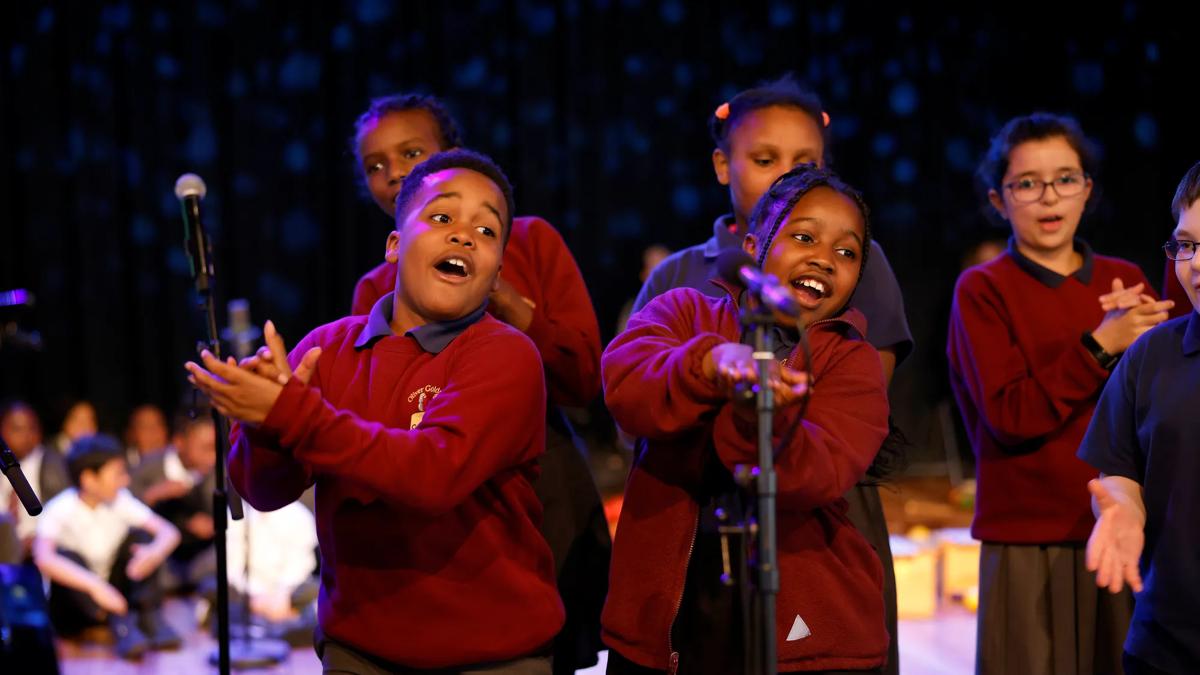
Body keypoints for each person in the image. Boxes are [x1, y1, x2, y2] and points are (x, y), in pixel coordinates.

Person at [187, 150, 564, 673]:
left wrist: (291, 414)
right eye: (441, 217)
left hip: (492, 657)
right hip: (359, 651)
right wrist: (265, 426)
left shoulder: (506, 354)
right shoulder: (329, 349)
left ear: (496, 271)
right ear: (394, 245)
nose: (462, 235)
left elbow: (433, 473)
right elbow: (263, 491)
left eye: (486, 231)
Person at [629, 75, 910, 673]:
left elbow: (843, 436)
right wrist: (711, 366)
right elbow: (629, 382)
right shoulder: (682, 296)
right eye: (803, 237)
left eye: (846, 253)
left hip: (807, 566)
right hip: (681, 575)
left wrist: (763, 404)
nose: (823, 257)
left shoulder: (845, 351)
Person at [349, 93, 609, 673]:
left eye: (411, 153)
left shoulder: (530, 242)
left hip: (540, 490)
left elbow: (585, 374)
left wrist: (507, 300)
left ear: (454, 154)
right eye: (375, 164)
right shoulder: (374, 290)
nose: (393, 173)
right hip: (430, 506)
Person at [947, 112, 1173, 675]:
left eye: (1065, 178)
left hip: (1119, 527)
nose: (1049, 196)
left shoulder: (1122, 279)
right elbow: (1010, 414)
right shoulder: (983, 288)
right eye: (1027, 183)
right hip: (1026, 537)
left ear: (1087, 189)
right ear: (1000, 199)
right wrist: (1101, 346)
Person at [1078, 160, 1200, 674]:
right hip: (1164, 647)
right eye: (1187, 245)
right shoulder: (1152, 355)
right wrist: (1123, 510)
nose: (1194, 265)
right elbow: (1122, 469)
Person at [32, 434, 182, 659]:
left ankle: (147, 616)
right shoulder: (60, 508)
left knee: (141, 540)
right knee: (66, 556)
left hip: (114, 592)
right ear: (89, 479)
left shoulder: (120, 500)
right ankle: (119, 624)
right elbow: (43, 557)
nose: (125, 481)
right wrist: (95, 586)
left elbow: (169, 532)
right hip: (78, 604)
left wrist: (153, 553)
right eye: (117, 474)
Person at [0, 400, 69, 563]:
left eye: (31, 428)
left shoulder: (52, 462)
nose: (26, 436)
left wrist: (40, 538)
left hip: (39, 549)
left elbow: (66, 511)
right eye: (17, 429)